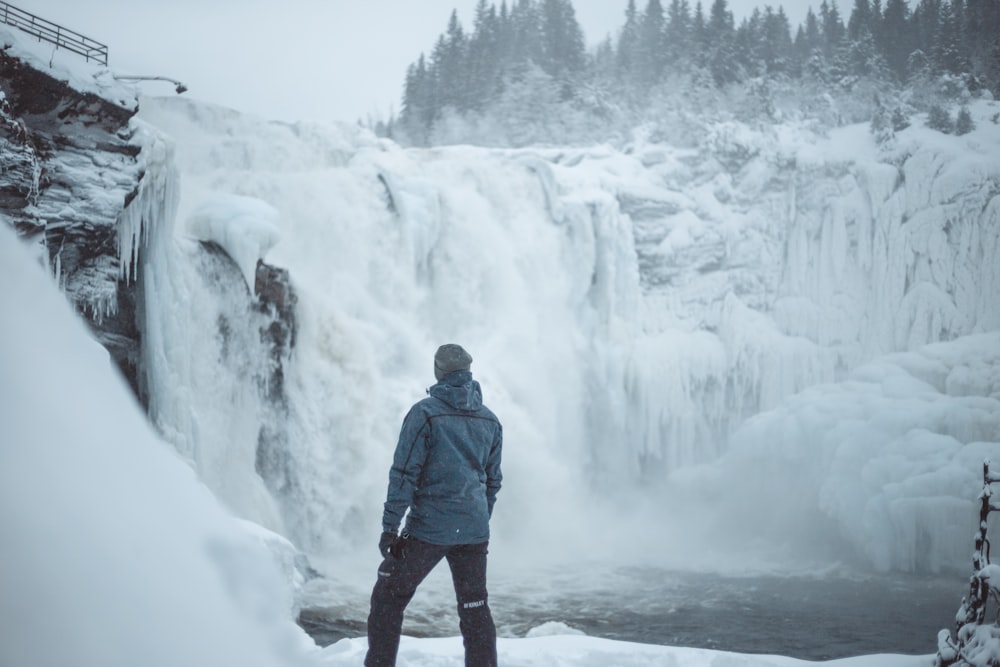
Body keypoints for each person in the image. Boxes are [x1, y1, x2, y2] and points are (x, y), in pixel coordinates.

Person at [365, 344, 503, 667]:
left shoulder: (425, 413)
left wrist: (389, 528)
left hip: (429, 528)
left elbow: (403, 475)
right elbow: (493, 481)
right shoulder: (490, 420)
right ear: (468, 373)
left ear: (439, 373)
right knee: (474, 607)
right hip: (472, 530)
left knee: (387, 597)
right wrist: (477, 518)